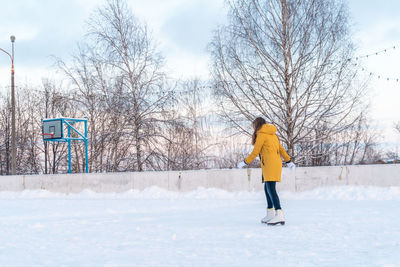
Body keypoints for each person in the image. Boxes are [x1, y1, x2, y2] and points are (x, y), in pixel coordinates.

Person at [237, 117, 295, 225]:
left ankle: (279, 213)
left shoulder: (262, 134)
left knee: (271, 188)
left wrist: (244, 162)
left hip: (269, 164)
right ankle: (270, 213)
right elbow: (281, 150)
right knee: (267, 187)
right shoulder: (273, 134)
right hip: (272, 164)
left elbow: (255, 152)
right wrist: (288, 161)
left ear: (257, 125)